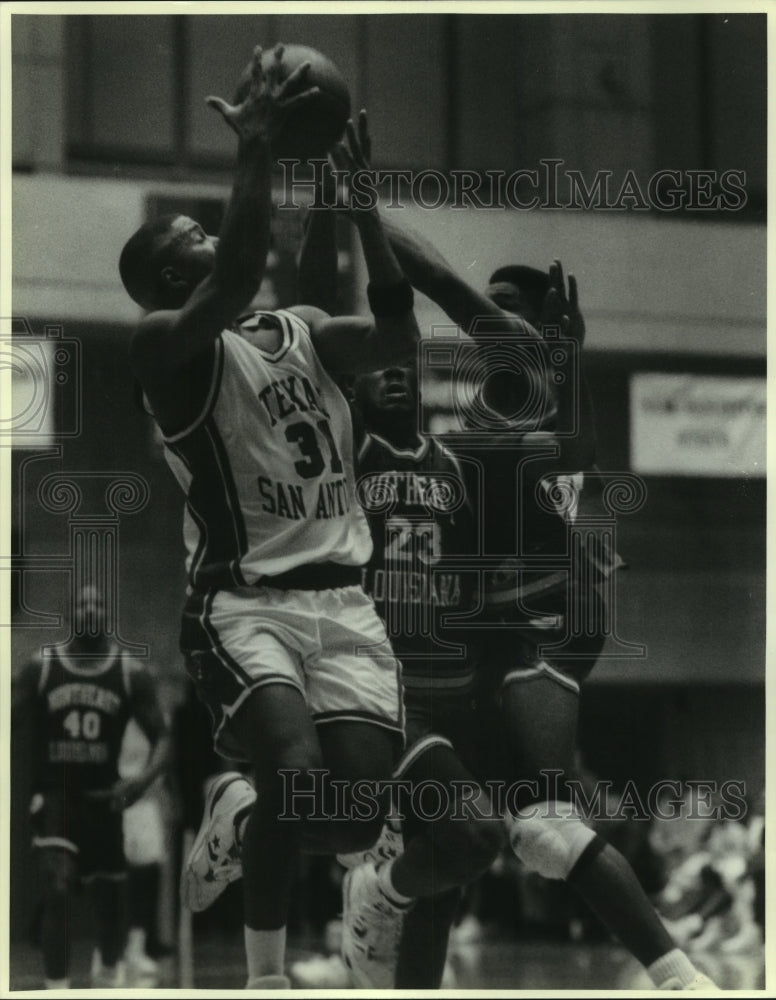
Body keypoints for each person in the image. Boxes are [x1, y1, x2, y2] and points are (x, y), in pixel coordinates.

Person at [118, 48, 419, 989]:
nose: (210, 239)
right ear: (173, 282)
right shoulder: (166, 349)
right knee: (295, 778)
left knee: (358, 818)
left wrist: (354, 201)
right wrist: (255, 151)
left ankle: (242, 818)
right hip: (243, 606)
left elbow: (394, 334)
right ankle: (264, 977)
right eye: (191, 242)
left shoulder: (302, 332)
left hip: (346, 609)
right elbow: (242, 264)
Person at [12, 584, 171, 989]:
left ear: (107, 616)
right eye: (82, 603)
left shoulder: (131, 673)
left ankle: (105, 974)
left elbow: (164, 738)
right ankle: (57, 990)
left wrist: (142, 780)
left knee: (112, 905)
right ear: (70, 615)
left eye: (97, 603)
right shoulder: (40, 668)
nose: (90, 608)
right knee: (58, 888)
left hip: (106, 801)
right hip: (55, 797)